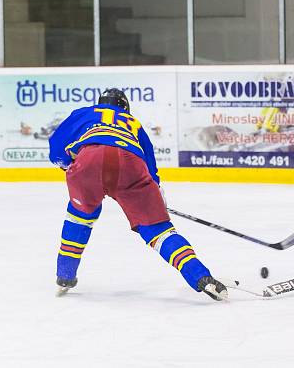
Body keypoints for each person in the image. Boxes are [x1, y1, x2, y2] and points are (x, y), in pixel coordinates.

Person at [48, 88, 230, 301]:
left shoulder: (84, 113)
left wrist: (71, 165)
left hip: (89, 159)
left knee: (79, 217)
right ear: (124, 107)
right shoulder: (132, 123)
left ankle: (65, 275)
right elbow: (151, 169)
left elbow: (55, 150)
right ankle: (201, 277)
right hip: (130, 163)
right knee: (159, 232)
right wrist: (155, 200)